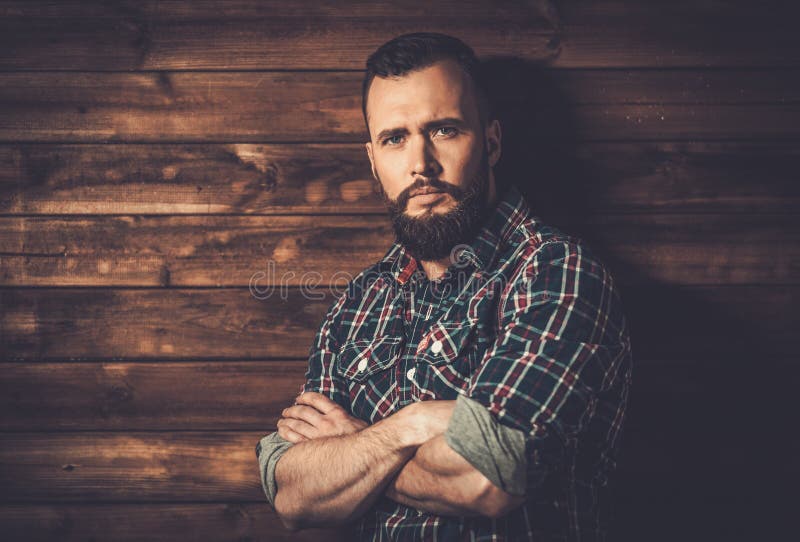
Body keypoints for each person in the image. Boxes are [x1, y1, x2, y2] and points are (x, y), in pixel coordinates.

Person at [255, 32, 633, 541]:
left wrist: (354, 446)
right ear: (373, 160)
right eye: (395, 138)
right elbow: (294, 495)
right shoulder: (359, 303)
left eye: (445, 130)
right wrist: (413, 425)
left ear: (492, 142)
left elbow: (486, 478)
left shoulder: (555, 272)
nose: (421, 164)